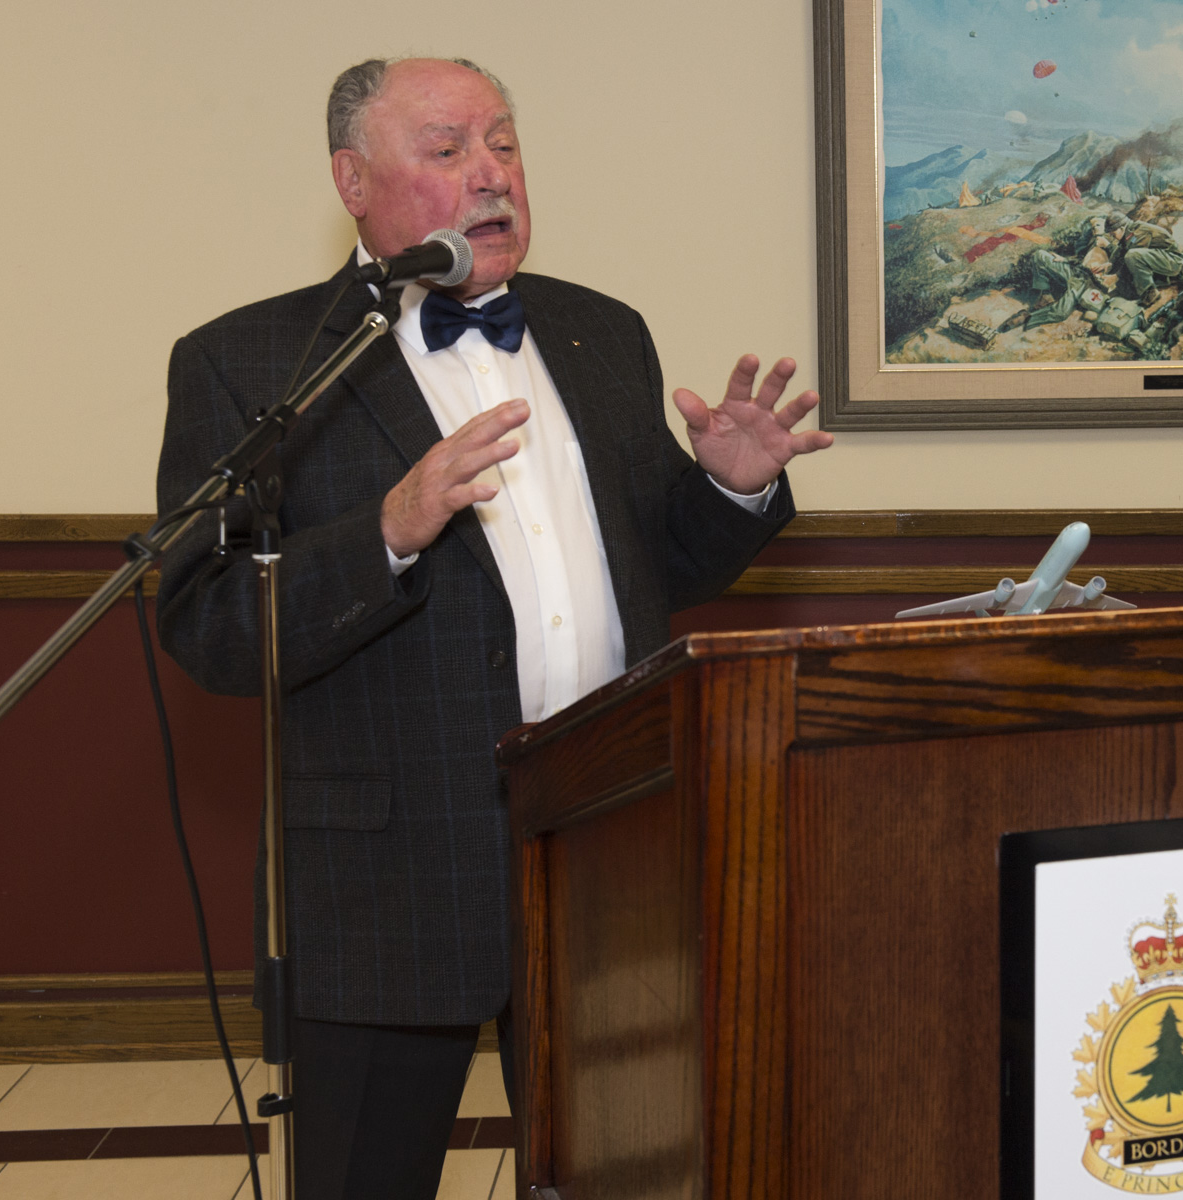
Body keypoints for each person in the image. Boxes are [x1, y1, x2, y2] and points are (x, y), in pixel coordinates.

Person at [154, 55, 832, 1199]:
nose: (491, 173)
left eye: (504, 143)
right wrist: (387, 531)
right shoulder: (253, 364)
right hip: (388, 879)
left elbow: (650, 572)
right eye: (447, 149)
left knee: (629, 1170)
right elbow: (210, 626)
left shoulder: (601, 332)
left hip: (611, 842)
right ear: (352, 181)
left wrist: (730, 488)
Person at [1102, 213, 1183, 309]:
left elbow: (1132, 257)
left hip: (1173, 261)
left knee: (1132, 256)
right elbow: (1121, 250)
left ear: (1121, 228)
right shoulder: (1130, 232)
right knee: (1131, 257)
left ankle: (1150, 294)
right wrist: (1110, 264)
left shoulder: (1139, 232)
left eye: (1113, 234)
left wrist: (1116, 276)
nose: (1112, 236)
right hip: (1162, 259)